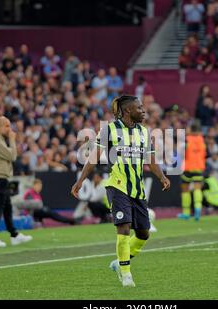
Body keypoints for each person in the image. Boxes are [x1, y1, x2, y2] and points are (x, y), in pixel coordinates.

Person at [71, 95, 170, 287]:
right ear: (127, 111)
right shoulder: (109, 130)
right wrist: (81, 180)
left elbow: (150, 159)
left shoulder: (144, 131)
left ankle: (119, 262)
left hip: (137, 189)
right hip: (117, 185)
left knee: (143, 234)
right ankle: (126, 274)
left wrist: (162, 176)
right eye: (139, 108)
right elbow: (94, 156)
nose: (143, 111)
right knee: (123, 229)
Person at [0, 116, 33, 247]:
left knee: (7, 208)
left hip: (0, 178)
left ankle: (14, 234)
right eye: (7, 126)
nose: (9, 129)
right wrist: (12, 139)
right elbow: (13, 156)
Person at [177, 122, 207, 221]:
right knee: (197, 189)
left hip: (188, 167)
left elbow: (181, 153)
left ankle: (186, 213)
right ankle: (198, 210)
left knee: (185, 190)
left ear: (191, 129)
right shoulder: (202, 140)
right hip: (198, 167)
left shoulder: (186, 140)